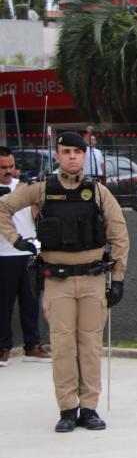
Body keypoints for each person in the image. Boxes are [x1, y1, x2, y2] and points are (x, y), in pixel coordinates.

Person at [0, 132, 129, 432]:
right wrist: (17, 240)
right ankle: (68, 408)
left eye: (77, 151)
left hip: (93, 279)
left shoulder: (99, 193)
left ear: (85, 155)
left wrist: (118, 278)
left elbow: (120, 237)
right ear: (57, 155)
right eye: (66, 151)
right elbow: (4, 208)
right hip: (57, 279)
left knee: (89, 345)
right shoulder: (42, 189)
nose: (72, 156)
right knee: (63, 345)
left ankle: (89, 408)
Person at [0, 147, 50, 366]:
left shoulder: (23, 188)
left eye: (11, 166)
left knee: (31, 301)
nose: (8, 171)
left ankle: (32, 345)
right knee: (4, 304)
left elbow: (37, 212)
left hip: (28, 251)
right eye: (3, 167)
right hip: (3, 253)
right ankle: (3, 347)